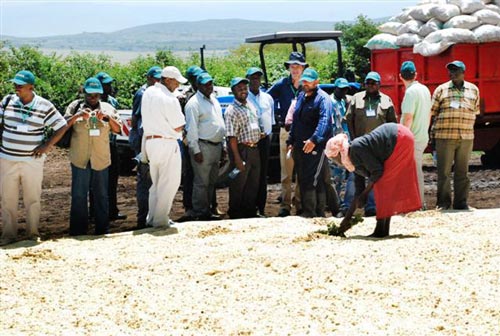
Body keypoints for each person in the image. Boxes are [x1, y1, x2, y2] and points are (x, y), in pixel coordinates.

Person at [0, 70, 67, 245]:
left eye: (20, 85)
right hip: (7, 159)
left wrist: (47, 146)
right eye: (15, 84)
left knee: (32, 198)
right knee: (8, 199)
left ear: (31, 87)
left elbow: (62, 126)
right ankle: (8, 235)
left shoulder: (44, 105)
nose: (16, 88)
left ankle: (32, 233)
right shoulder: (7, 101)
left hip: (32, 161)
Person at [325, 123, 421, 237]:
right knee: (383, 185)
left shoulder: (357, 148)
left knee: (382, 185)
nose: (335, 162)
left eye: (334, 159)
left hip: (399, 137)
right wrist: (347, 219)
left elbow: (377, 171)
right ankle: (383, 228)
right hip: (397, 139)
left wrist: (365, 194)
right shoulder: (352, 161)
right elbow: (358, 191)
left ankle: (381, 229)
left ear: (339, 154)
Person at [65, 77, 122, 236]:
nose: (93, 98)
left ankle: (102, 229)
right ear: (84, 93)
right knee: (78, 195)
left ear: (100, 94)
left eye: (96, 95)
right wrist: (77, 117)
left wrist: (107, 118)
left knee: (101, 194)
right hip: (80, 157)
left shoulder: (108, 108)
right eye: (90, 94)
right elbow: (63, 125)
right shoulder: (75, 106)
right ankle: (78, 231)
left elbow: (118, 130)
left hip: (101, 158)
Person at [345, 71, 397, 217]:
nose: (370, 85)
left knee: (376, 177)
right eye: (368, 82)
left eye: (373, 83)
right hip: (359, 146)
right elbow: (349, 120)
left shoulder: (386, 100)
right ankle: (349, 206)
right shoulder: (356, 98)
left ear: (379, 84)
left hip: (378, 148)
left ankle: (372, 207)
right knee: (355, 176)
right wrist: (354, 140)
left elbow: (392, 124)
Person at [430, 60, 480, 210]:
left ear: (463, 72)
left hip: (466, 137)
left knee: (462, 172)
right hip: (445, 136)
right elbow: (433, 112)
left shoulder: (473, 90)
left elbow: (475, 111)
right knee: (444, 173)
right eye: (450, 70)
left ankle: (461, 203)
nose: (452, 73)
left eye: (455, 70)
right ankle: (443, 204)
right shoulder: (441, 90)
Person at [141, 66, 187, 227]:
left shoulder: (148, 92)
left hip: (151, 142)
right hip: (167, 142)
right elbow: (178, 126)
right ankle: (160, 220)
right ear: (167, 80)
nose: (177, 85)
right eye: (176, 82)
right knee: (169, 183)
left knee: (157, 183)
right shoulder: (169, 98)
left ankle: (152, 218)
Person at [287, 68, 333, 218]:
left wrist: (314, 139)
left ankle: (312, 212)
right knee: (305, 177)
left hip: (316, 146)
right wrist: (291, 139)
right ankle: (315, 211)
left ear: (317, 82)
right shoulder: (301, 96)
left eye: (308, 81)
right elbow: (296, 119)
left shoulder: (323, 99)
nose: (304, 83)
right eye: (303, 81)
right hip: (299, 145)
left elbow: (324, 121)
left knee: (312, 178)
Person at [181, 72, 225, 221]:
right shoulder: (193, 104)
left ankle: (208, 210)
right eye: (205, 84)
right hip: (203, 146)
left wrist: (223, 145)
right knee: (201, 182)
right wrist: (196, 150)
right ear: (198, 86)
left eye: (210, 83)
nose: (209, 87)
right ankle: (200, 212)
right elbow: (191, 129)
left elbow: (219, 122)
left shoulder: (214, 100)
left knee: (212, 181)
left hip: (216, 146)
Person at [267, 51, 307, 217]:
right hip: (286, 131)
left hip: (304, 133)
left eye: (298, 66)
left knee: (302, 170)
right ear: (289, 68)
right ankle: (285, 205)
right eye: (292, 66)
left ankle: (300, 203)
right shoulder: (282, 85)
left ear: (303, 68)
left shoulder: (308, 85)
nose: (295, 69)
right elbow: (266, 98)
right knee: (286, 171)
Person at [129, 66, 161, 229]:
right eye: (154, 78)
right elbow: (136, 119)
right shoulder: (143, 94)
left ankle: (153, 215)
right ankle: (143, 218)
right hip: (144, 142)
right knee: (145, 180)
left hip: (151, 142)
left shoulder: (156, 93)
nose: (156, 81)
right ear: (148, 77)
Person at [224, 77, 261, 219]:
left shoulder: (250, 105)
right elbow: (231, 137)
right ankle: (235, 212)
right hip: (241, 150)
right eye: (239, 89)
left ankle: (249, 211)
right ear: (233, 91)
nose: (243, 91)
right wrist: (237, 158)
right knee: (238, 182)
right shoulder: (231, 111)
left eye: (245, 88)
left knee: (253, 182)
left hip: (254, 148)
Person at [399, 61, 432, 210]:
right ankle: (418, 203)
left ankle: (419, 205)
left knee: (414, 171)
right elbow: (429, 114)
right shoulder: (424, 89)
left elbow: (408, 118)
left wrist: (402, 140)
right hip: (422, 136)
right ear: (416, 74)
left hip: (412, 138)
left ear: (401, 76)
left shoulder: (411, 92)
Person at [95, 71, 127, 221]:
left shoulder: (112, 102)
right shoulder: (93, 102)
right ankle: (95, 212)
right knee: (96, 181)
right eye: (106, 84)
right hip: (97, 146)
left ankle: (112, 210)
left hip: (111, 144)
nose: (109, 87)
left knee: (113, 179)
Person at [246, 67, 275, 217]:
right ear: (248, 80)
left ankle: (261, 207)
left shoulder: (267, 98)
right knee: (250, 173)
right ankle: (249, 206)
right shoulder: (244, 98)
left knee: (263, 174)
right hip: (250, 140)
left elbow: (271, 119)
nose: (256, 81)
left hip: (265, 140)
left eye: (258, 78)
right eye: (253, 78)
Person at [329, 78, 351, 214]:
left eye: (345, 89)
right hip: (333, 143)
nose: (343, 91)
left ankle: (337, 199)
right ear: (335, 88)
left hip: (343, 142)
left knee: (341, 175)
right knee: (333, 175)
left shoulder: (343, 102)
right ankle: (334, 202)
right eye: (341, 89)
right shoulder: (330, 103)